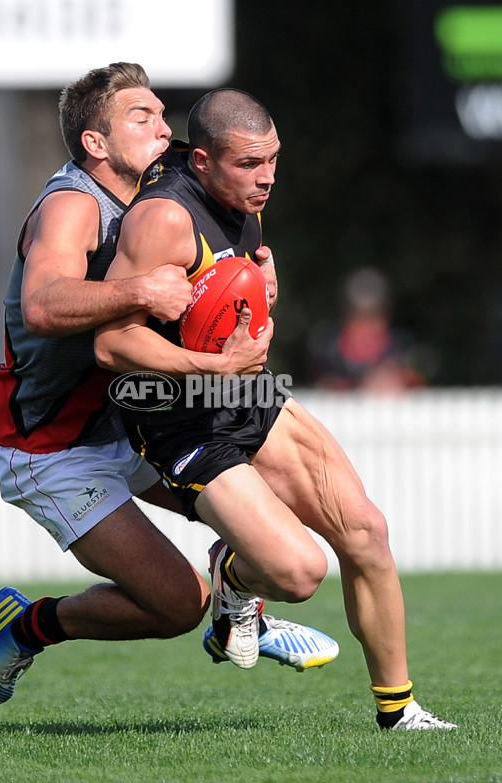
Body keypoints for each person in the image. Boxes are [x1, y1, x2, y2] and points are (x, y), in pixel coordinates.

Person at [93, 88, 457, 730]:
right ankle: (235, 573)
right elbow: (111, 342)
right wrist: (213, 366)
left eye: (273, 161)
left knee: (366, 531)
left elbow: (226, 295)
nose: (265, 178)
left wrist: (261, 295)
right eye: (248, 164)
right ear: (202, 161)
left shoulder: (242, 195)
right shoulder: (165, 220)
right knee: (297, 572)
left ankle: (400, 714)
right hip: (174, 416)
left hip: (246, 394)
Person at [0, 63, 339, 705]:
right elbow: (42, 305)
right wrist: (139, 289)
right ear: (95, 143)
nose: (162, 126)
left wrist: (253, 278)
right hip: (53, 448)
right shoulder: (73, 204)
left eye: (162, 114)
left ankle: (236, 604)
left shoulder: (162, 193)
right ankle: (29, 625)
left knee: (269, 527)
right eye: (141, 117)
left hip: (126, 418)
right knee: (175, 607)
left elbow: (227, 232)